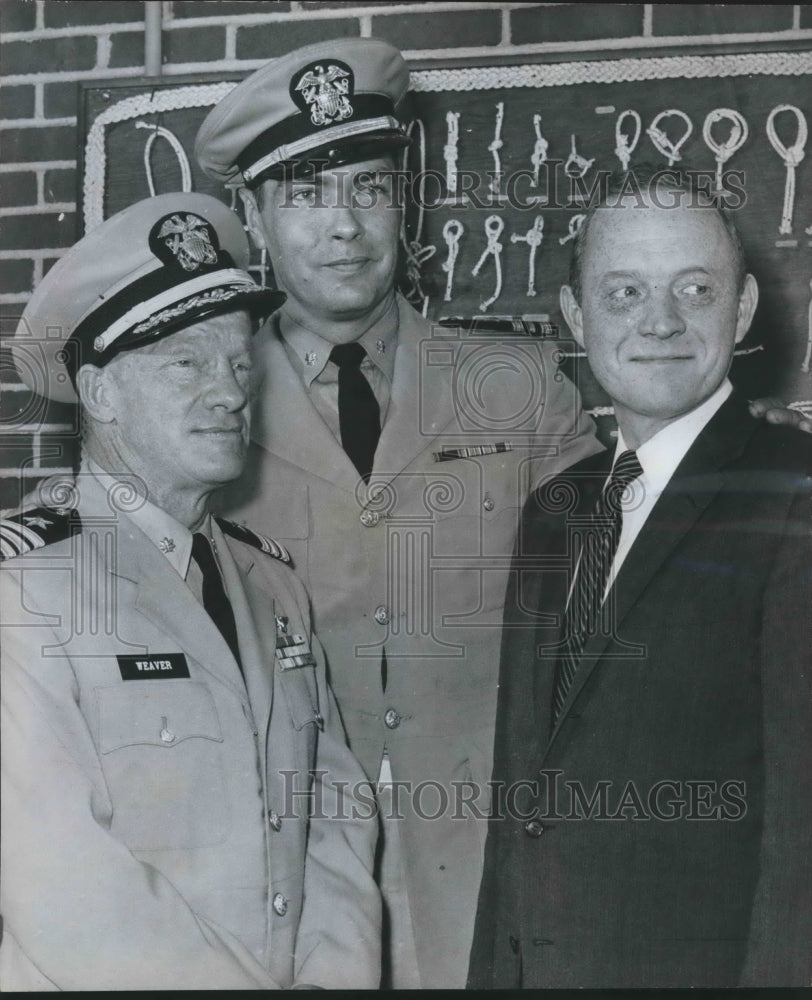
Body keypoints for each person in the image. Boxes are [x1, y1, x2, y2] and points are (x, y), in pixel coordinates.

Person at [194, 37, 602, 988]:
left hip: (485, 887)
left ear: (403, 201)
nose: (345, 226)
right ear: (253, 215)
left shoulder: (519, 383)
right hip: (271, 884)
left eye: (369, 188)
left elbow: (626, 560)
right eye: (305, 195)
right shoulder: (202, 404)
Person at [0, 192, 381, 991]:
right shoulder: (26, 589)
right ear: (101, 395)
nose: (231, 391)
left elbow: (334, 808)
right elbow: (59, 878)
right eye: (187, 363)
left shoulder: (271, 582)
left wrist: (331, 978)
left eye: (240, 362)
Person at [468, 168, 812, 989]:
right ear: (577, 316)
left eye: (694, 289)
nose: (659, 321)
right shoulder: (557, 509)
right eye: (624, 293)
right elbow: (522, 799)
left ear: (743, 307)